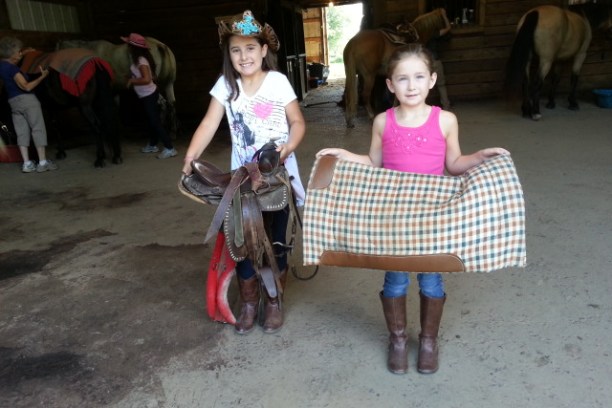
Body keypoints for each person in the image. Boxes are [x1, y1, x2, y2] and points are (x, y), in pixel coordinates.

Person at [317, 43, 509, 374]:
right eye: (402, 79)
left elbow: (454, 163)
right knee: (395, 281)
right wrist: (345, 156)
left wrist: (478, 158)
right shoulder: (382, 121)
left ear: (432, 80)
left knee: (431, 282)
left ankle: (429, 341)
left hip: (432, 217)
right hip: (394, 217)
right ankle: (399, 339)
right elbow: (373, 162)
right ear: (390, 84)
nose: (411, 85)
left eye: (419, 76)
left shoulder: (446, 120)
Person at [181, 10, 306, 334]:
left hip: (277, 175)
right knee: (243, 240)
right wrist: (191, 155)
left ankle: (274, 300)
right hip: (243, 178)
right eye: (236, 50)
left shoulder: (277, 82)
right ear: (229, 54)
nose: (243, 56)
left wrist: (288, 147)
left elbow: (297, 121)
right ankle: (250, 301)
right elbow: (210, 122)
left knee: (275, 239)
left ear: (264, 50)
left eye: (250, 48)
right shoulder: (226, 85)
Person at [0, 36, 57, 173]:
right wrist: (42, 76)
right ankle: (42, 162)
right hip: (27, 101)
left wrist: (23, 53)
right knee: (38, 129)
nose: (20, 53)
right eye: (18, 51)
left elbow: (9, 59)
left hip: (14, 103)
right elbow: (26, 87)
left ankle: (27, 164)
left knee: (22, 132)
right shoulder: (13, 70)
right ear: (12, 54)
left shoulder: (2, 65)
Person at [123, 33, 177, 159]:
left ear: (134, 47)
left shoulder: (141, 61)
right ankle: (152, 145)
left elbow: (147, 79)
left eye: (129, 45)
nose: (128, 48)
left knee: (155, 121)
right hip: (146, 95)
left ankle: (170, 148)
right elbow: (151, 77)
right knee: (151, 120)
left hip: (149, 95)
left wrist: (132, 81)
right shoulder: (141, 60)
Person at [427, 8, 452, 111]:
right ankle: (446, 107)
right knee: (441, 85)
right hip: (435, 61)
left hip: (425, 63)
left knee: (424, 86)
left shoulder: (422, 33)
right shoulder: (435, 33)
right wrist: (444, 16)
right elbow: (448, 28)